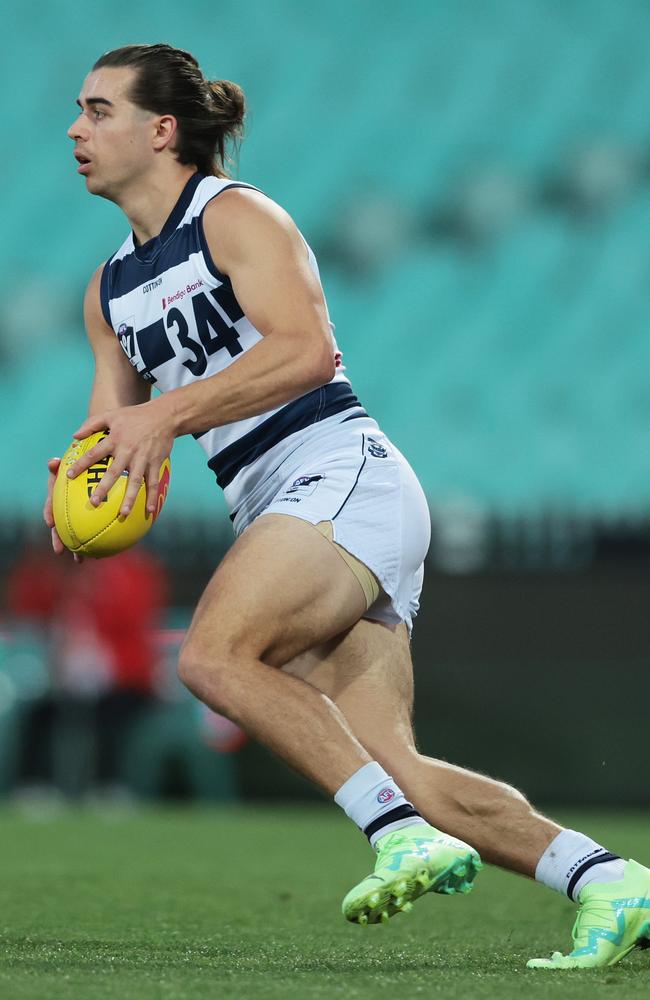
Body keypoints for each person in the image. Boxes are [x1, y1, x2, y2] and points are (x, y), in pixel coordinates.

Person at [43, 43, 649, 969]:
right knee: (396, 768)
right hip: (281, 500)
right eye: (79, 112)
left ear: (162, 130)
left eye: (98, 110)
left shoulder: (235, 217)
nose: (77, 129)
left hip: (340, 470)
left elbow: (307, 352)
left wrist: (162, 416)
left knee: (212, 657)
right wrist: (84, 485)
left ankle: (396, 837)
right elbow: (110, 432)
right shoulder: (108, 291)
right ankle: (604, 879)